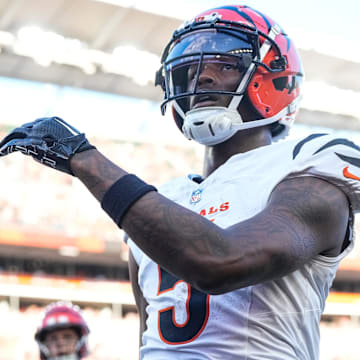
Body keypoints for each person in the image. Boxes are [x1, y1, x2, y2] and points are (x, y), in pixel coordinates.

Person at [0, 4, 359, 359]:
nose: (201, 77)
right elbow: (149, 336)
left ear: (273, 78)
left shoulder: (306, 165)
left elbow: (221, 263)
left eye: (226, 64)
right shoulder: (164, 199)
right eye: (190, 69)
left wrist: (85, 159)